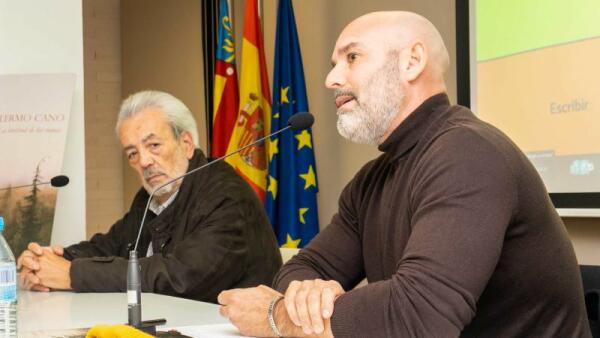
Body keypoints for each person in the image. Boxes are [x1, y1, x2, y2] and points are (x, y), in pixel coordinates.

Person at [217, 11, 591, 337]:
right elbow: (305, 267)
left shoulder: (469, 154)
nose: (332, 78)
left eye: (351, 57)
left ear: (412, 61)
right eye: (335, 63)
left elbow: (419, 318)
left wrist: (278, 316)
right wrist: (307, 297)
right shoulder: (370, 180)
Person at [17, 90, 283, 303]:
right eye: (132, 153)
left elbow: (179, 277)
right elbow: (110, 246)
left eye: (153, 145)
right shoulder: (152, 196)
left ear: (186, 144)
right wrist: (52, 260)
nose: (144, 161)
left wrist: (72, 274)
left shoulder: (227, 196)